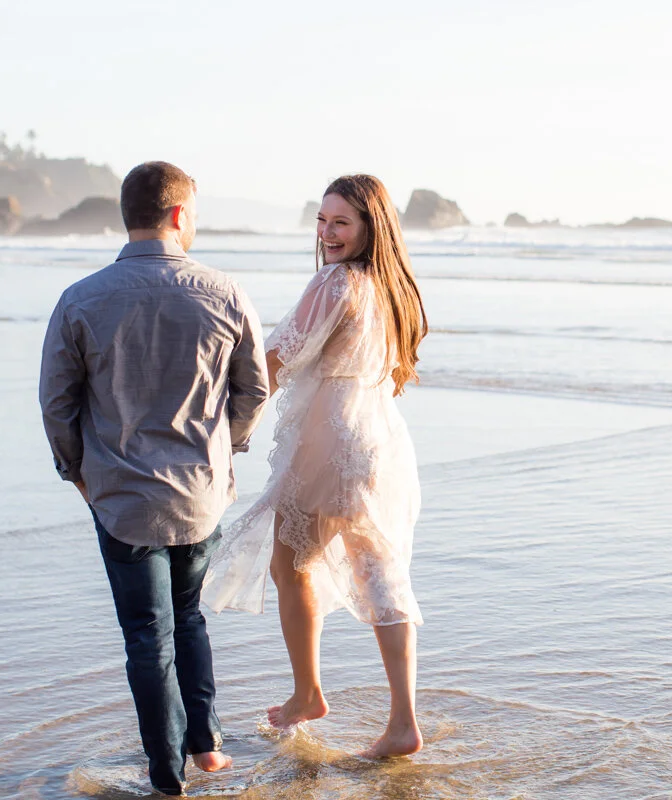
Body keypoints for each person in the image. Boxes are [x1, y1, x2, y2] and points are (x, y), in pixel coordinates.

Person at [39, 161, 268, 795]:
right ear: (178, 214)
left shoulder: (80, 298)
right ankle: (209, 743)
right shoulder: (224, 291)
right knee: (188, 615)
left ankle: (168, 776)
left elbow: (57, 402)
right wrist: (229, 449)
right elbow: (254, 388)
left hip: (121, 496)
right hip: (199, 492)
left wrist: (76, 472)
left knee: (149, 634)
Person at [202, 173, 428, 758]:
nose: (328, 233)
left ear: (368, 227)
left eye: (341, 223)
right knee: (381, 573)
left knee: (291, 564)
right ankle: (403, 721)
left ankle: (308, 693)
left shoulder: (336, 281)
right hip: (378, 440)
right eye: (322, 221)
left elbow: (277, 357)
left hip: (329, 440)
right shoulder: (391, 287)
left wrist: (222, 419)